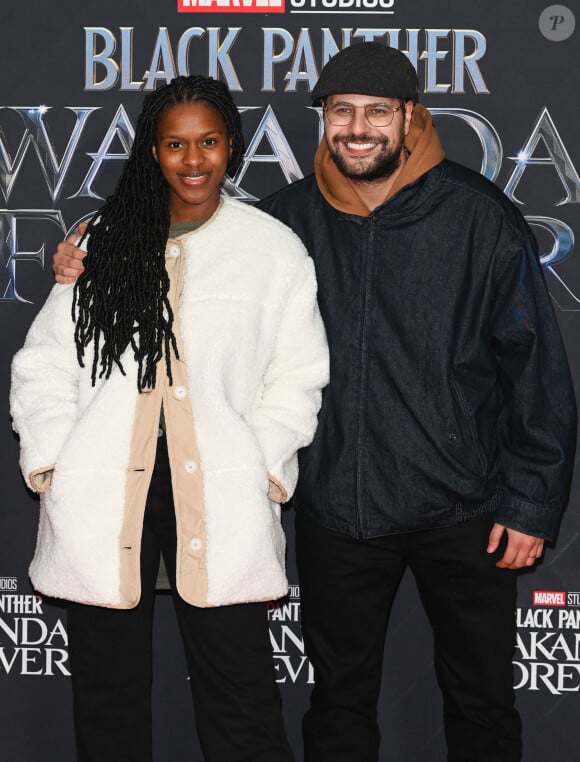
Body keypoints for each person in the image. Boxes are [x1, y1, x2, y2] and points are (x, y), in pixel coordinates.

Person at [51, 44, 577, 762]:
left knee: (482, 701)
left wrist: (531, 502)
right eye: (341, 112)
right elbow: (187, 262)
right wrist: (83, 254)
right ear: (323, 121)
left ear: (409, 118)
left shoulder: (478, 217)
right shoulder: (285, 219)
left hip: (463, 508)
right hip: (339, 514)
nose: (358, 127)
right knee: (338, 705)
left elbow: (537, 368)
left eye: (376, 112)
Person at [12, 74, 328, 762]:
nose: (193, 159)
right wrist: (53, 463)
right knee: (107, 704)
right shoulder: (101, 238)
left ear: (231, 147)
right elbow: (44, 365)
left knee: (241, 701)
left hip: (219, 497)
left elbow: (298, 378)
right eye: (176, 143)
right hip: (104, 498)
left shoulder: (272, 251)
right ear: (153, 152)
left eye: (208, 142)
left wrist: (262, 467)